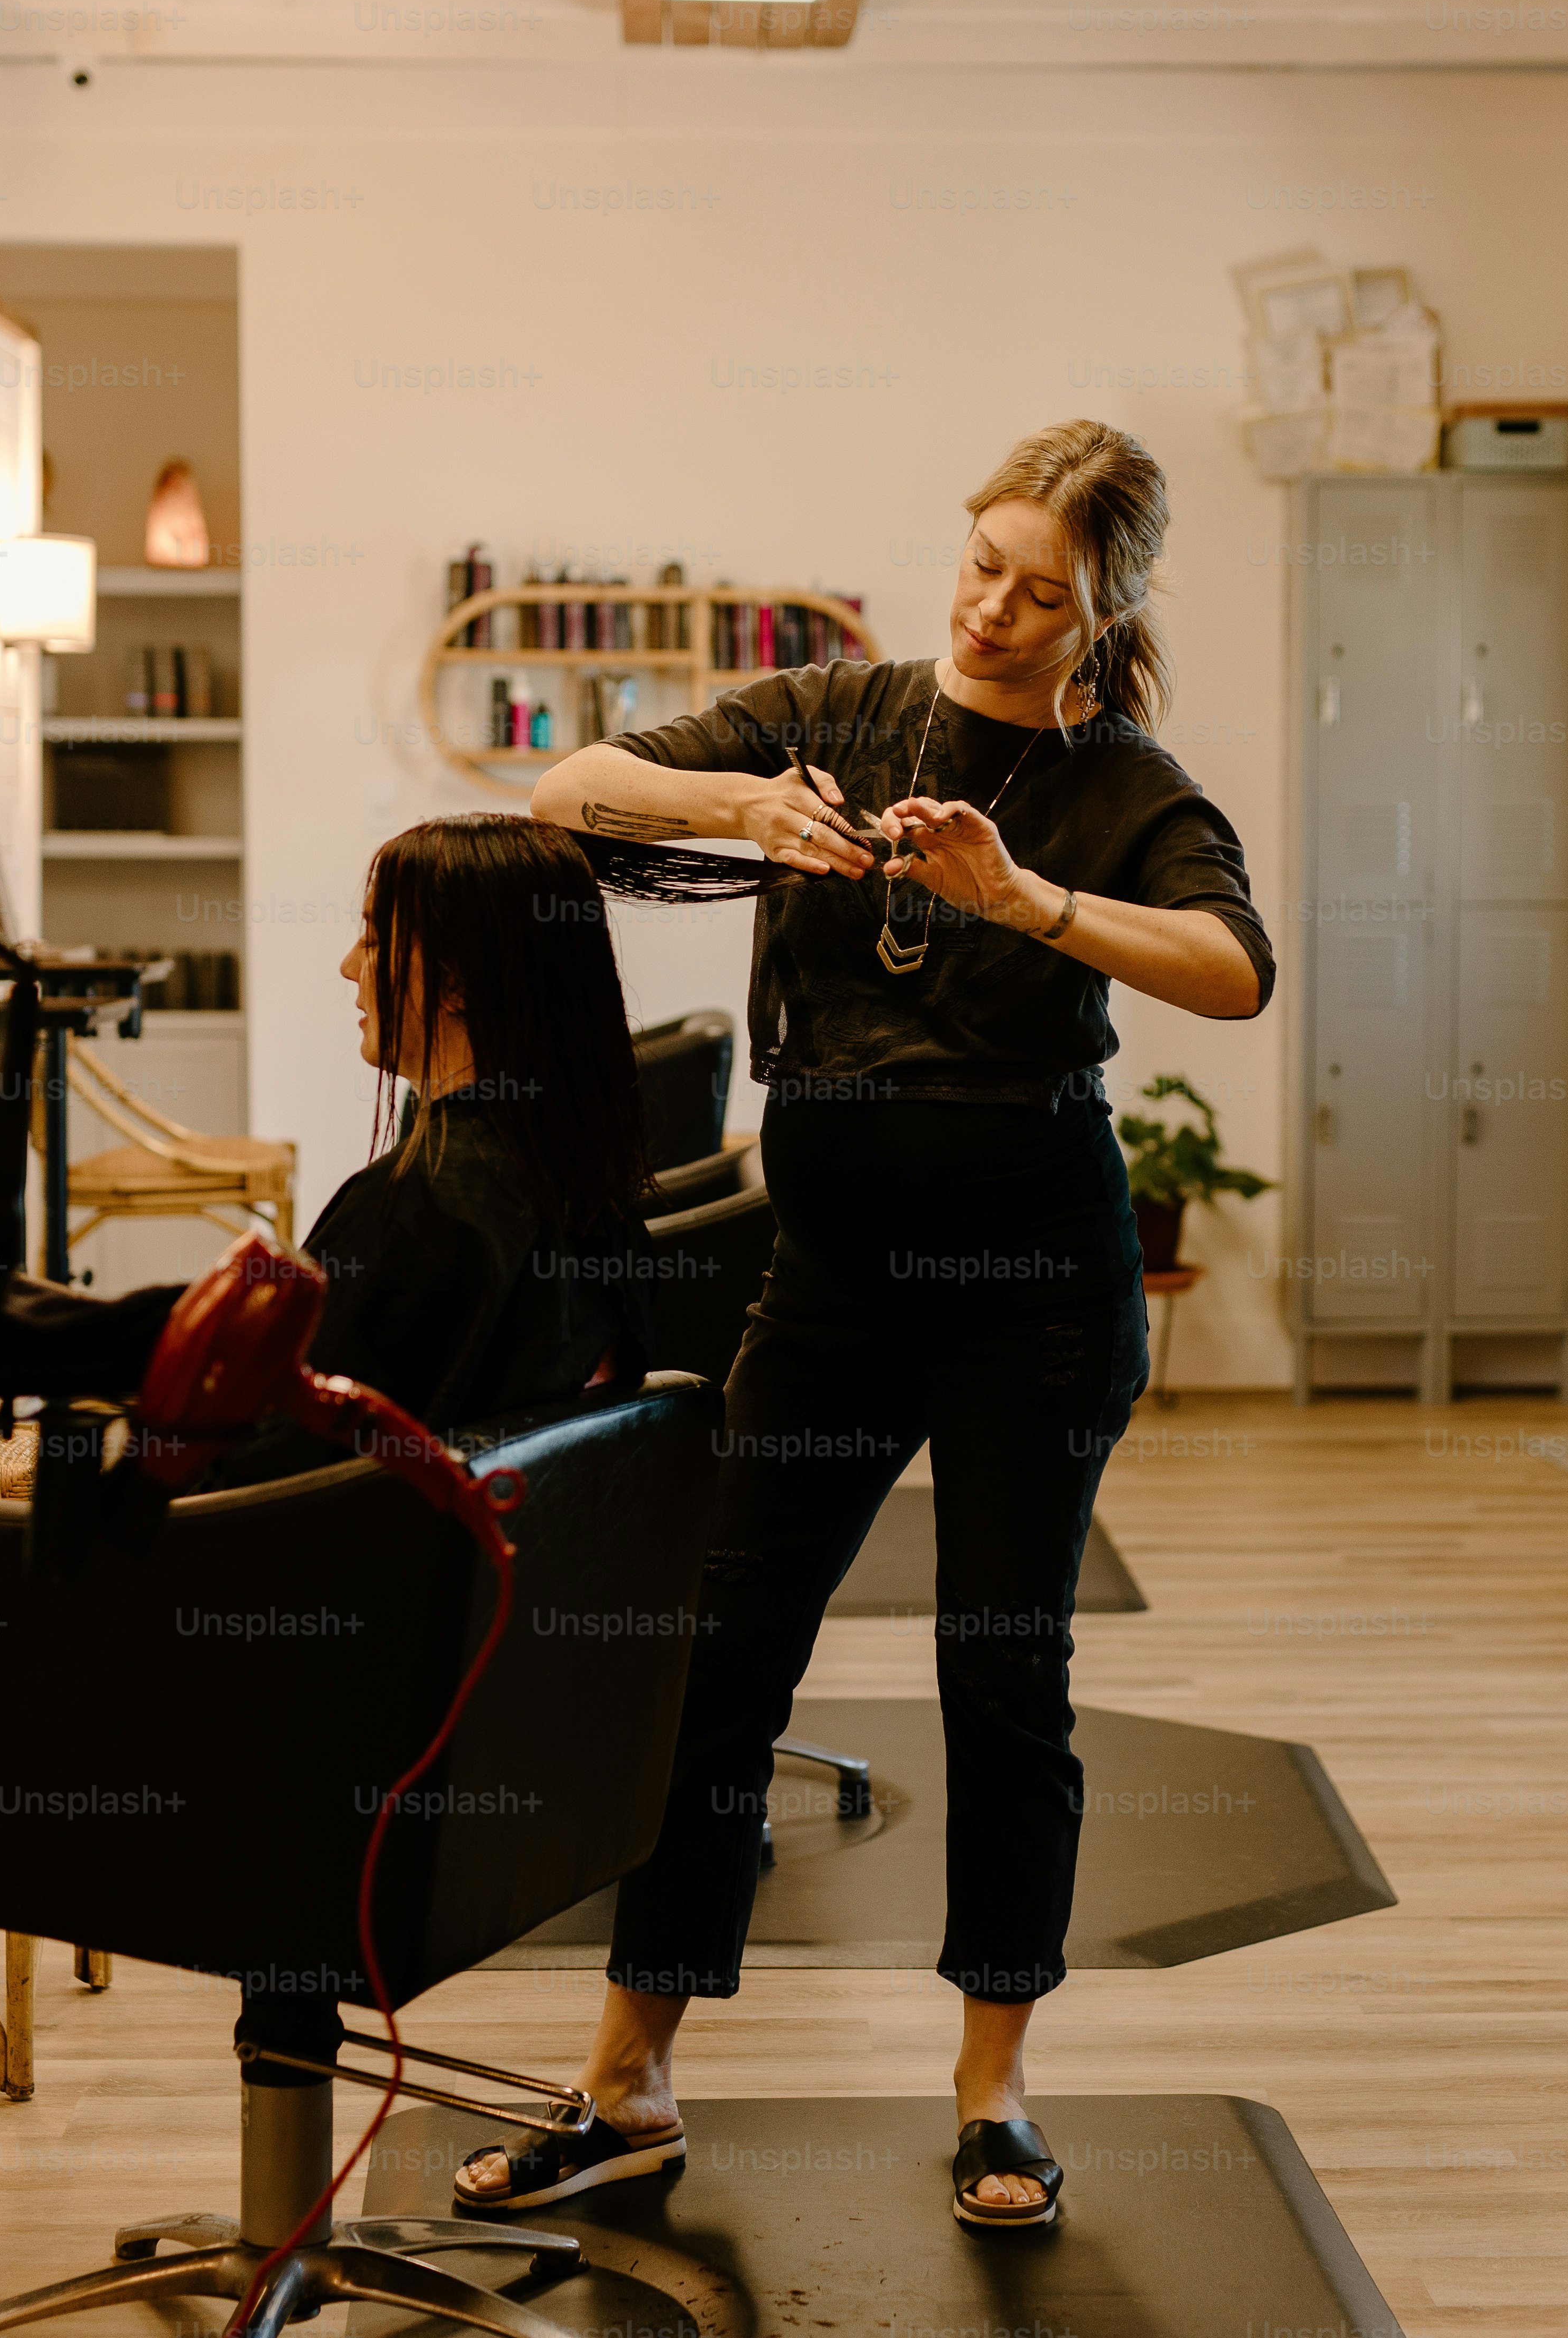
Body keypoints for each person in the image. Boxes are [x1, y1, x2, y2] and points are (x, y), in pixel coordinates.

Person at [0, 815, 655, 2240]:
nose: (352, 966)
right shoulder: (575, 1195)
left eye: (375, 935)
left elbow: (263, 1503)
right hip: (451, 1733)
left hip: (287, 1743)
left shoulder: (425, 1212)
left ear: (459, 975)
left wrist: (50, 1489)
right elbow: (312, 1473)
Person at [480, 418, 1272, 2232]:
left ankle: (996, 2098)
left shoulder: (1125, 782)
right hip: (831, 1279)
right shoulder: (832, 712)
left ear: (1105, 609)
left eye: (1041, 590)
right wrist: (736, 807)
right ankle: (629, 2084)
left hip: (1034, 1298)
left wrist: (1033, 904)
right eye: (983, 562)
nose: (994, 608)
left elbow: (1234, 971)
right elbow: (566, 793)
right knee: (717, 1662)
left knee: (1002, 1681)